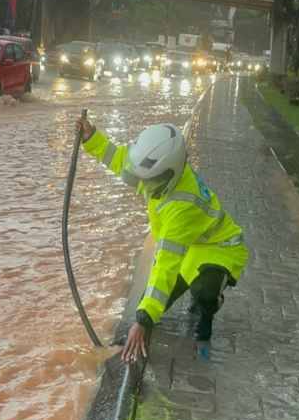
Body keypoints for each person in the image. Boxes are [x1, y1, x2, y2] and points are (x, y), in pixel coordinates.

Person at [76, 113, 248, 362]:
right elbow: (120, 160)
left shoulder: (182, 205)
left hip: (220, 248)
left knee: (201, 293)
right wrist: (92, 138)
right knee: (155, 305)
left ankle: (210, 306)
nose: (142, 186)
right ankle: (195, 290)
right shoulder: (157, 173)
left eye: (150, 181)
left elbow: (166, 264)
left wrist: (143, 320)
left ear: (170, 172)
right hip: (191, 247)